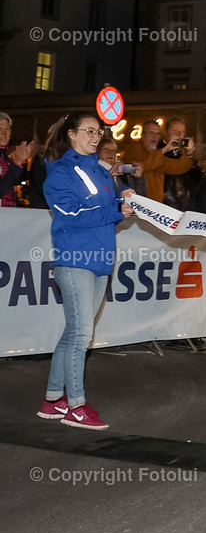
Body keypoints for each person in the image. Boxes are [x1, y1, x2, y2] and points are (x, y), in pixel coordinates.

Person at [36, 112, 134, 430]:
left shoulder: (103, 173)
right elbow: (73, 213)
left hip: (100, 261)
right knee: (81, 335)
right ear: (71, 135)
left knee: (72, 334)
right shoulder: (60, 172)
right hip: (74, 260)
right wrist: (114, 208)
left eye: (99, 131)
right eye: (89, 131)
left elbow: (105, 208)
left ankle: (52, 400)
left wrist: (124, 199)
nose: (96, 136)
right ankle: (76, 405)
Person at [121, 120, 195, 201]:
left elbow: (177, 168)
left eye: (157, 134)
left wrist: (188, 153)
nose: (155, 136)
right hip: (136, 202)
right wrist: (164, 150)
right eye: (151, 133)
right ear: (143, 135)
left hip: (155, 204)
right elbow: (136, 168)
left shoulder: (157, 154)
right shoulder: (134, 148)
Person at [0, 112, 33, 207]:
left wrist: (23, 162)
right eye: (0, 128)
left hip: (9, 212)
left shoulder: (6, 155)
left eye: (7, 129)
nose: (4, 133)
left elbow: (16, 182)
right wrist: (17, 163)